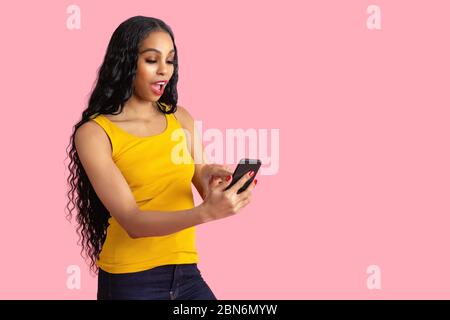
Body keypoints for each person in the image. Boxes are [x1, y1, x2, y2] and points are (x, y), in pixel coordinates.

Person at [65, 16, 257, 300]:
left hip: (186, 272)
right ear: (127, 62)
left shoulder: (180, 117)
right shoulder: (94, 134)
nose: (164, 71)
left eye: (170, 60)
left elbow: (202, 178)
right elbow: (132, 221)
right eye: (152, 60)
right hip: (130, 281)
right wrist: (204, 214)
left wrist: (211, 179)